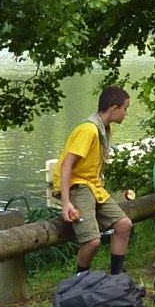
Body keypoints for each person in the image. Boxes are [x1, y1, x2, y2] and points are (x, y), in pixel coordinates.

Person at [57, 85, 135, 274]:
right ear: (114, 109)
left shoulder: (105, 130)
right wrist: (66, 202)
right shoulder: (89, 130)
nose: (126, 113)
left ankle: (117, 276)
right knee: (92, 241)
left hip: (93, 186)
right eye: (125, 108)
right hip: (78, 185)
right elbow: (67, 164)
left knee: (124, 225)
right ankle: (80, 279)